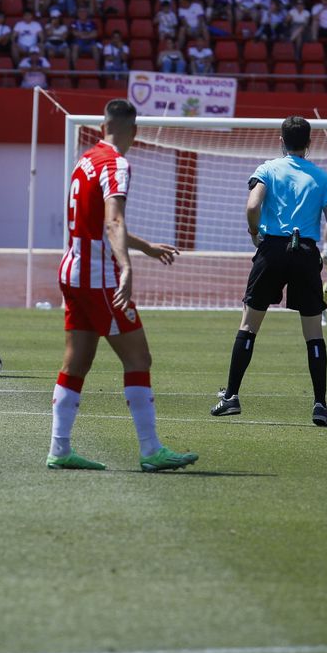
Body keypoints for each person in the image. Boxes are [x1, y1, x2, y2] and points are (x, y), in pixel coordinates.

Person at [49, 99, 197, 473]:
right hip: (99, 276)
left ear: (103, 126)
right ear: (135, 131)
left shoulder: (85, 160)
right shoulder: (117, 164)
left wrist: (145, 247)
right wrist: (127, 267)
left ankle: (59, 449)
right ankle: (151, 450)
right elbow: (113, 221)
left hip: (72, 271)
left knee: (77, 362)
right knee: (138, 359)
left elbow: (100, 222)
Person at [212, 115, 327, 427]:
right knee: (314, 332)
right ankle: (320, 404)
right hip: (306, 252)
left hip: (272, 249)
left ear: (281, 141)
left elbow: (252, 206)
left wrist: (253, 232)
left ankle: (231, 396)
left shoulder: (268, 169)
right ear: (309, 143)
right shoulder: (323, 177)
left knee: (249, 325)